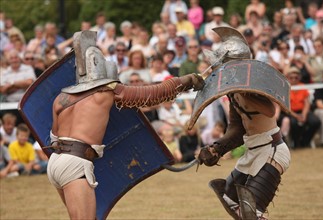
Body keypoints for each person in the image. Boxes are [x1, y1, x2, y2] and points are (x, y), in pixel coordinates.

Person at [46, 30, 204, 219]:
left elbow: (54, 137)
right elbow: (152, 94)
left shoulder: (61, 98)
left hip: (55, 162)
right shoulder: (106, 91)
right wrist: (187, 80)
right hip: (76, 163)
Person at [195, 27, 291, 220]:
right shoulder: (233, 93)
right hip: (254, 151)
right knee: (229, 197)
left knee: (252, 214)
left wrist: (245, 90)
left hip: (272, 151)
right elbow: (237, 130)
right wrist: (217, 149)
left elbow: (270, 110)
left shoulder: (253, 88)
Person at [286, 66, 321, 148]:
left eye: (296, 77)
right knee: (294, 123)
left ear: (299, 77)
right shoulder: (285, 87)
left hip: (303, 111)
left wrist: (304, 115)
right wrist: (296, 116)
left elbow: (307, 103)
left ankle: (305, 141)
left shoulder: (302, 86)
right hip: (291, 112)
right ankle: (296, 143)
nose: (294, 79)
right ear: (288, 77)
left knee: (315, 122)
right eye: (291, 77)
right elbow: (286, 106)